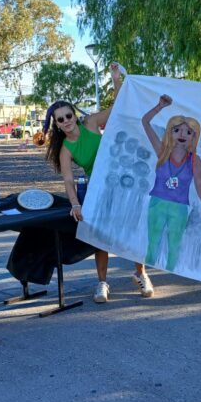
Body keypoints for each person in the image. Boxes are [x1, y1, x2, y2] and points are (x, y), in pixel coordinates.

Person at [43, 63, 153, 303]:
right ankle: (102, 283)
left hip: (124, 182)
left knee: (132, 230)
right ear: (57, 124)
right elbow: (69, 180)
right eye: (61, 119)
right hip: (98, 190)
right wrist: (75, 205)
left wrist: (115, 79)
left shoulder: (91, 123)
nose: (66, 120)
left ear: (74, 114)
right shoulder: (65, 149)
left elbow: (119, 108)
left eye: (69, 115)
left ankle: (141, 274)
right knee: (100, 238)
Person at [141, 94, 201, 272]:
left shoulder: (195, 160)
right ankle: (145, 275)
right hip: (157, 204)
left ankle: (169, 276)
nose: (182, 134)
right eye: (177, 130)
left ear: (194, 136)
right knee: (152, 243)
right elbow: (145, 122)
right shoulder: (162, 151)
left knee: (174, 246)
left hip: (179, 209)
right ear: (170, 132)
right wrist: (159, 107)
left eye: (188, 131)